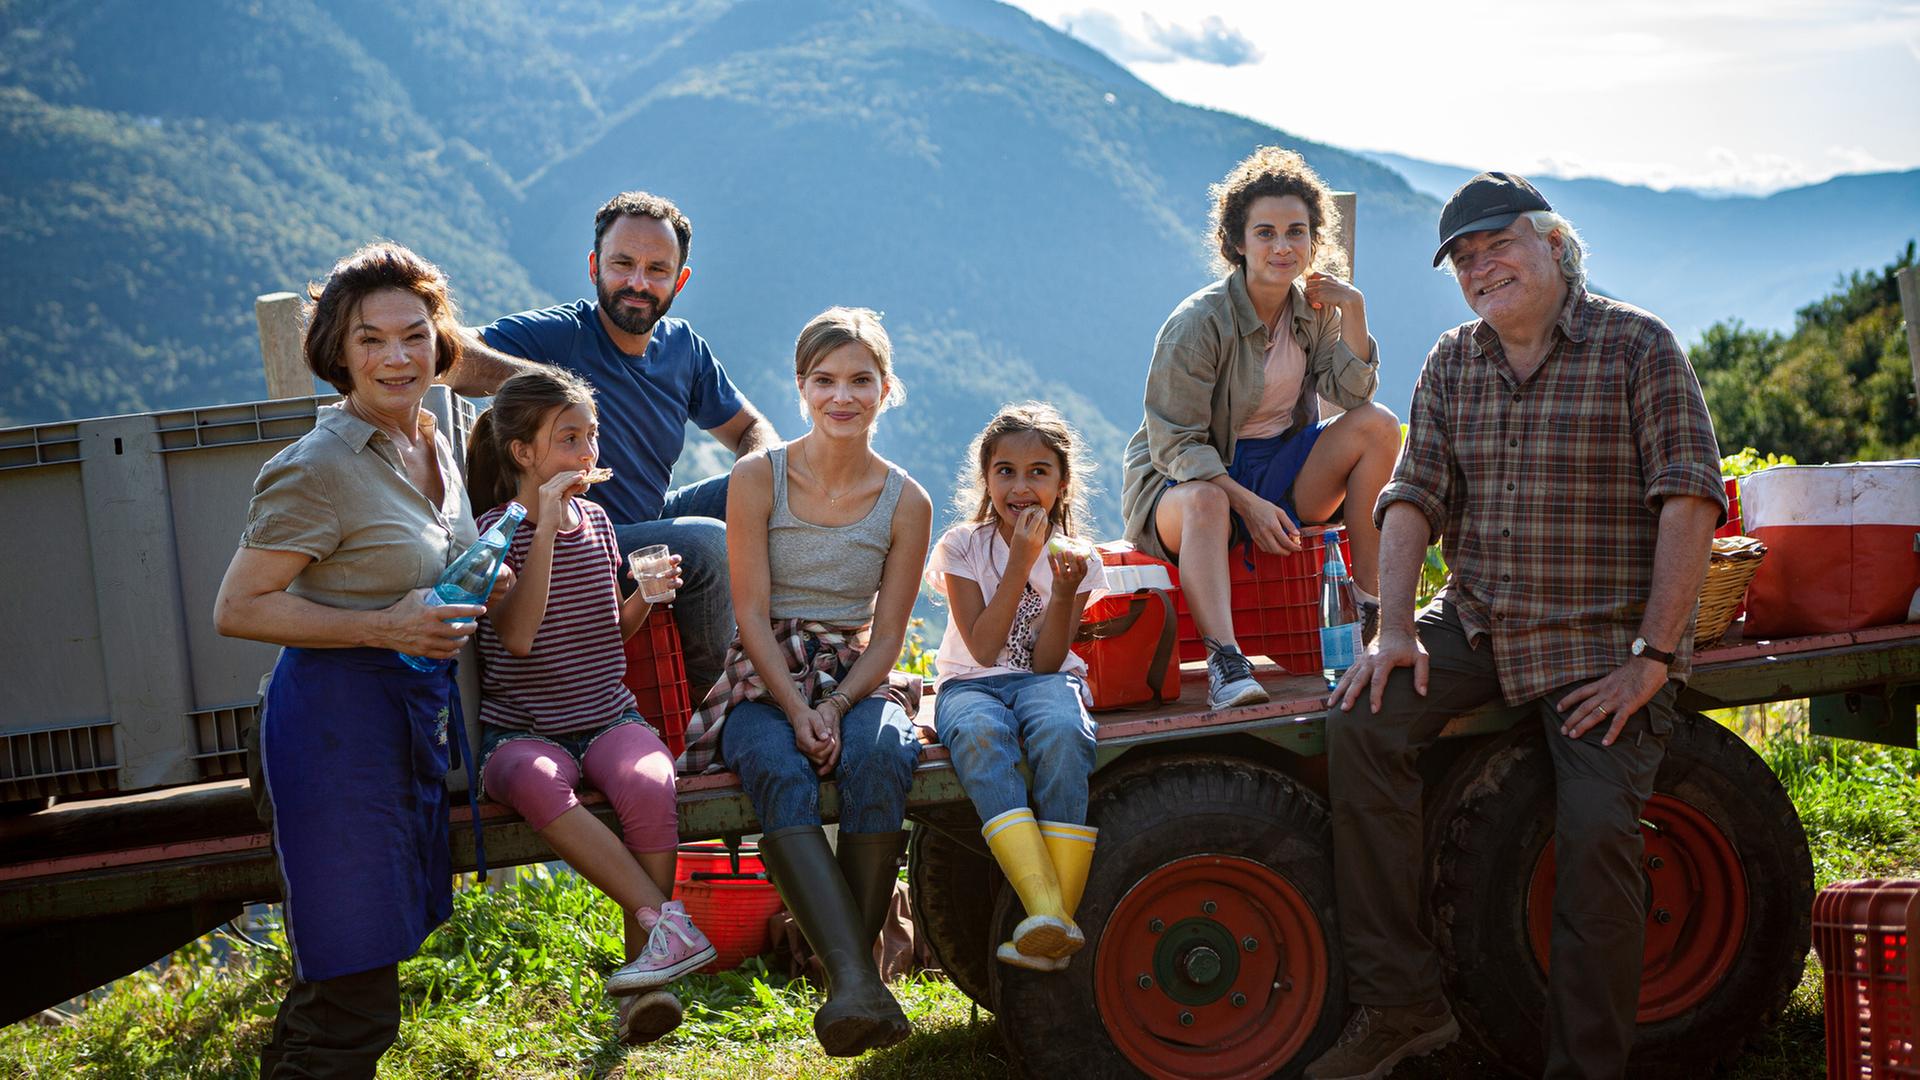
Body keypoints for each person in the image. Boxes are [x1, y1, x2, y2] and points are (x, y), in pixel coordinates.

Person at [1307, 173, 1726, 1080]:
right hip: (1480, 624)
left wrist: (1654, 656)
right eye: (1463, 257)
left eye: (1497, 245)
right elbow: (1411, 498)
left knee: (1597, 837)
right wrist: (1394, 634)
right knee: (1362, 720)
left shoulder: (1637, 345)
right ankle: (1404, 1004)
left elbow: (1691, 499)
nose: (1479, 267)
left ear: (1554, 244)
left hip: (1601, 643)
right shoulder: (1454, 361)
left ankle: (1585, 1068)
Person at [213, 242, 497, 1076]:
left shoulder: (435, 442)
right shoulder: (316, 466)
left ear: (440, 342)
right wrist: (386, 627)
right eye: (371, 339)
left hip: (403, 725)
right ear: (338, 350)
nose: (397, 357)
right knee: (352, 990)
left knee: (361, 976)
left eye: (414, 334)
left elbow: (413, 569)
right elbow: (238, 608)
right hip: (332, 735)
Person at [677, 306, 931, 1057]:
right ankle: (857, 979)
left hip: (856, 670)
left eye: (860, 380)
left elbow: (887, 635)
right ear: (800, 388)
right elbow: (749, 615)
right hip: (764, 673)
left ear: (886, 389)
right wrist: (796, 707)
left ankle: (851, 976)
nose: (841, 396)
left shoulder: (906, 501)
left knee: (883, 753)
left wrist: (841, 704)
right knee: (773, 763)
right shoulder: (757, 477)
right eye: (824, 380)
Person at [442, 190, 779, 700]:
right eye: (623, 264)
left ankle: (795, 655)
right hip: (573, 537)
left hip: (644, 513)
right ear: (595, 265)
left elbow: (752, 429)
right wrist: (552, 385)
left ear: (680, 280)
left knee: (779, 476)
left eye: (657, 269)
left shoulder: (683, 347)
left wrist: (764, 477)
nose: (638, 283)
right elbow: (454, 355)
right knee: (707, 543)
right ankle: (714, 711)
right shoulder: (561, 335)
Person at [463, 367, 715, 1046]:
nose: (587, 453)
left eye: (590, 437)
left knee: (650, 779)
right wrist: (540, 529)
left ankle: (645, 980)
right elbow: (515, 640)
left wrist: (647, 599)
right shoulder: (496, 532)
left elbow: (610, 631)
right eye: (568, 438)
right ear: (523, 453)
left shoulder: (600, 523)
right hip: (523, 732)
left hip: (607, 716)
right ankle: (666, 925)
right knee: (535, 783)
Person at [1119, 146, 1401, 712]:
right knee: (1204, 501)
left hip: (1280, 464)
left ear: (1313, 241)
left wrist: (1354, 308)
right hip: (1186, 482)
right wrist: (1246, 503)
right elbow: (1176, 445)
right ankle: (1227, 662)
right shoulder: (1198, 323)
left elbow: (1351, 396)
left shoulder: (1315, 310)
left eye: (1296, 232)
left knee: (1378, 426)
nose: (1282, 246)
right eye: (1266, 232)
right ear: (1238, 242)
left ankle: (1370, 610)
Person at [925, 402, 1105, 972]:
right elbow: (981, 647)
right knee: (979, 737)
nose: (1020, 487)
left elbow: (1050, 661)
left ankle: (1049, 923)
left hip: (1043, 681)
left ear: (1062, 483)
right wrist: (1021, 561)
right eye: (1005, 471)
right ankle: (1050, 909)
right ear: (985, 479)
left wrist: (1062, 592)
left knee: (1062, 729)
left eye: (1038, 472)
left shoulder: (1078, 559)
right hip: (970, 684)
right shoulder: (962, 546)